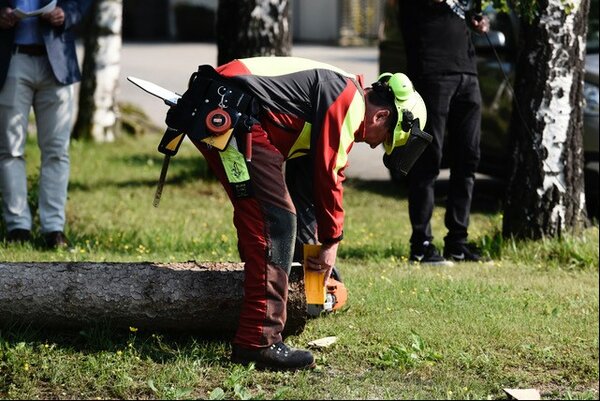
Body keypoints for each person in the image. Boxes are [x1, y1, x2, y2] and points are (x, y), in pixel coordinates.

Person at [164, 57, 427, 371]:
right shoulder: (347, 100)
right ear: (382, 115)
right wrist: (332, 242)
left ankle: (295, 303)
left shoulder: (335, 96)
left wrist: (314, 282)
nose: (372, 146)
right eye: (382, 139)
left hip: (221, 110)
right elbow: (330, 175)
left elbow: (308, 199)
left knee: (268, 216)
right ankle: (258, 342)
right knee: (274, 222)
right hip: (232, 115)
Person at [395, 0, 489, 265]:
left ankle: (458, 242)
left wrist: (479, 20)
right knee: (427, 159)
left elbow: (472, 14)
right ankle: (421, 244)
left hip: (467, 72)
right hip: (432, 70)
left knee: (468, 158)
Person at [0, 0, 91, 248]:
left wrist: (67, 13)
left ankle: (53, 229)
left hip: (57, 60)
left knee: (57, 150)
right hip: (12, 58)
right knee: (10, 149)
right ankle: (18, 228)